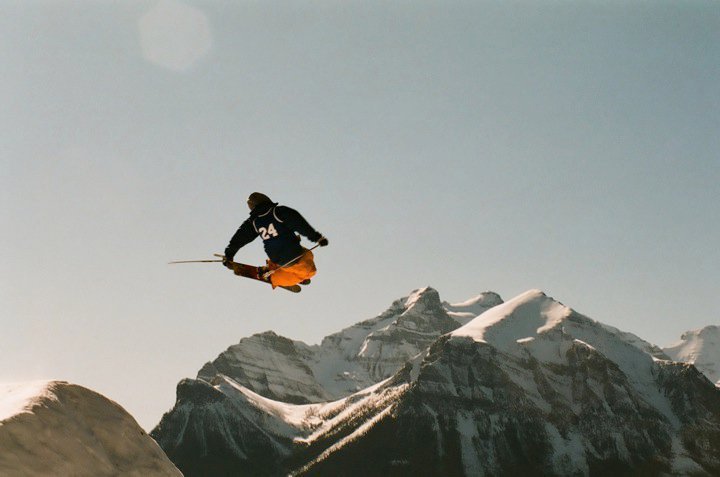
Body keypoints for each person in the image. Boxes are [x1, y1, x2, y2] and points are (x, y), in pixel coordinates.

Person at [223, 192, 328, 288]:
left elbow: (239, 238)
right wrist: (317, 237)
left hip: (275, 257)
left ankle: (274, 268)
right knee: (310, 271)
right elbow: (300, 224)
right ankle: (277, 276)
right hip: (292, 254)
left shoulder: (253, 222)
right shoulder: (279, 212)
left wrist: (229, 254)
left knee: (304, 257)